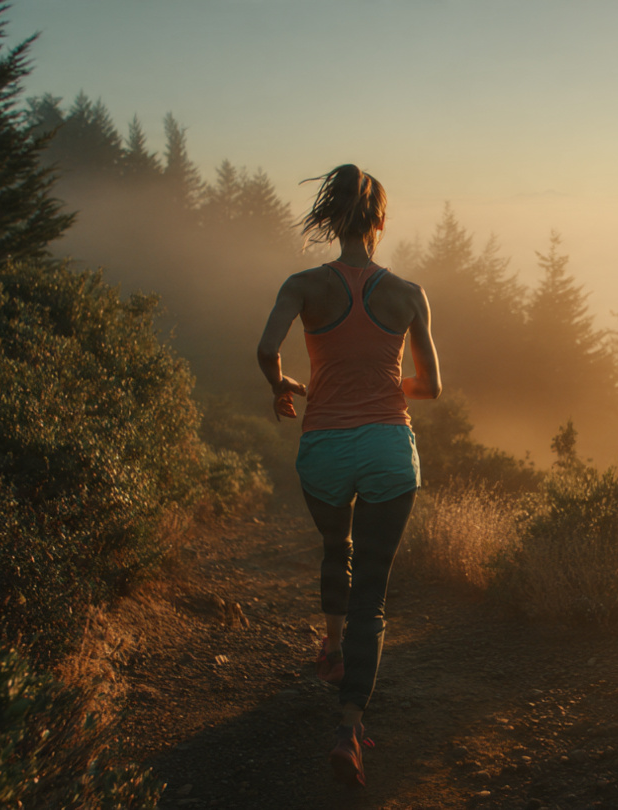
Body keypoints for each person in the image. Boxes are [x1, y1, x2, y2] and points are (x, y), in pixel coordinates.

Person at [256, 164, 441, 788]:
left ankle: (331, 649)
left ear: (333, 222)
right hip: (389, 446)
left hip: (324, 447)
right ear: (381, 223)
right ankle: (350, 729)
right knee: (375, 595)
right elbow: (433, 387)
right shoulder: (409, 293)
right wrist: (386, 387)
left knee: (339, 546)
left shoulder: (303, 284)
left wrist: (281, 384)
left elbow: (265, 348)